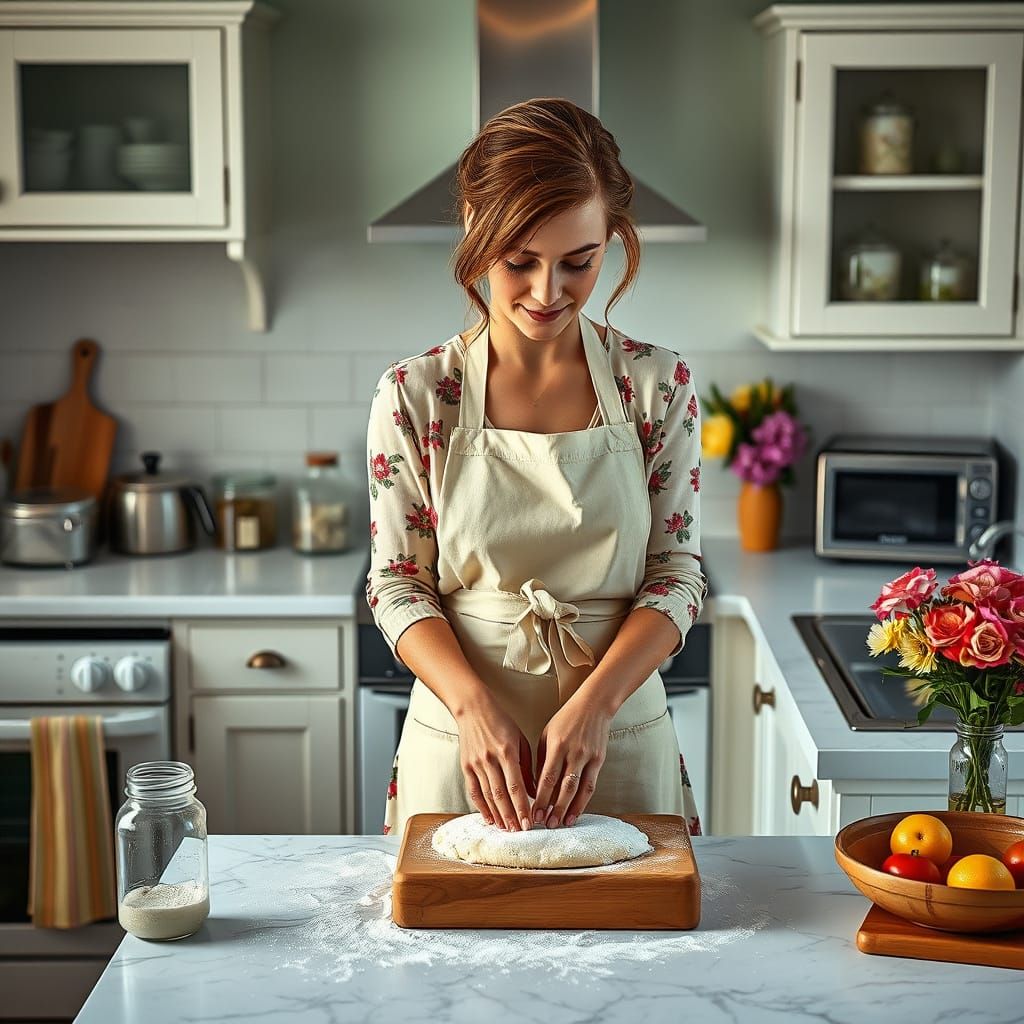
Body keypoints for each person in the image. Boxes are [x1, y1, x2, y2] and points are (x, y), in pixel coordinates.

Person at [365, 97, 707, 844]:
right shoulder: (418, 395)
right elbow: (396, 581)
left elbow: (676, 573)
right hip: (463, 750)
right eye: (519, 261)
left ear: (612, 241)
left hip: (615, 742)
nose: (548, 292)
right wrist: (470, 707)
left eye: (579, 262)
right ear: (471, 227)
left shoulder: (657, 384)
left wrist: (595, 708)